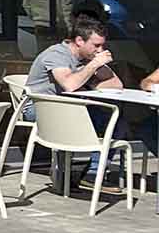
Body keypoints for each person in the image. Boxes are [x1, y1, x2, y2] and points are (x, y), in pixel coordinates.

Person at [25, 16, 153, 187]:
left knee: (116, 120)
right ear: (79, 40)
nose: (100, 49)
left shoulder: (87, 57)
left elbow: (116, 85)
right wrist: (93, 67)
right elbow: (70, 85)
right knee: (103, 117)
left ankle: (93, 173)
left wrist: (96, 66)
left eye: (102, 45)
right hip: (40, 108)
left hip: (70, 108)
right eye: (96, 45)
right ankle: (70, 171)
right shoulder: (57, 54)